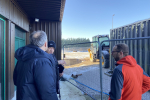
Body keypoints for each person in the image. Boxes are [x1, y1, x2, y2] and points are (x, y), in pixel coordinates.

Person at [13, 31, 58, 100]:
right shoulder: (42, 61)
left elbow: (16, 80)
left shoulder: (22, 57)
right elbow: (48, 92)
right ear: (45, 44)